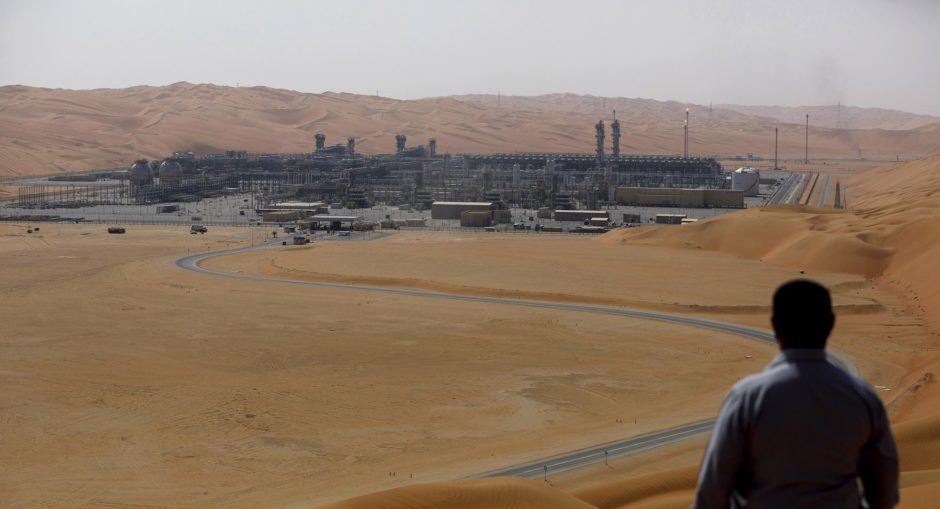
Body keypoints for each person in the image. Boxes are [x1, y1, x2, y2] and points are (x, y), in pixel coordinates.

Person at [693, 279, 899, 509]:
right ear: (830, 324)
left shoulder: (747, 397)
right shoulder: (862, 397)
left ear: (774, 325)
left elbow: (712, 491)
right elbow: (884, 491)